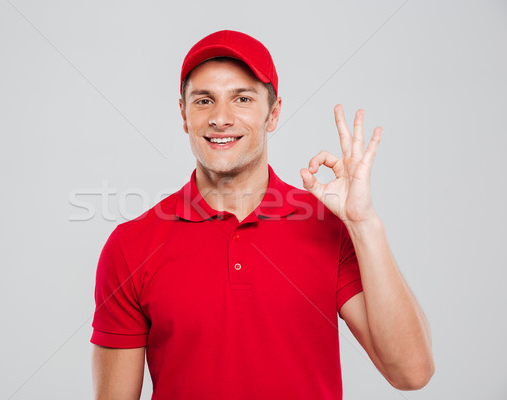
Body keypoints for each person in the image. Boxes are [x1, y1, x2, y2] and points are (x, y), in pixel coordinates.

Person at [90, 30, 434, 400]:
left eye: (242, 98)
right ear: (184, 115)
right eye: (204, 100)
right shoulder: (131, 245)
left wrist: (363, 224)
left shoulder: (329, 228)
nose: (221, 118)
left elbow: (411, 373)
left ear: (273, 113)